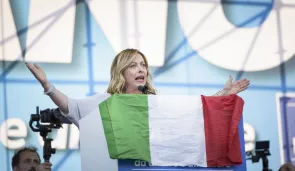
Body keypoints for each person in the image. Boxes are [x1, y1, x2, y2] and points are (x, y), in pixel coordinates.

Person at [26, 48, 250, 127]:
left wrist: (223, 95)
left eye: (143, 65)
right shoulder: (106, 101)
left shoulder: (155, 102)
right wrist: (47, 85)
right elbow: (72, 107)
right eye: (133, 65)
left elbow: (192, 109)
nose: (140, 69)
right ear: (121, 72)